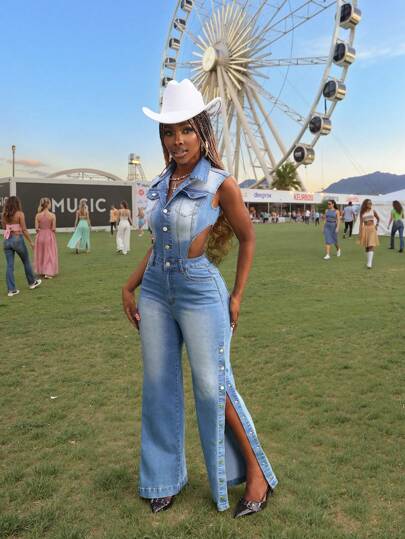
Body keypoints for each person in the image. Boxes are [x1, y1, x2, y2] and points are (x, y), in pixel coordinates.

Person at [122, 79, 277, 517]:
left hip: (199, 291)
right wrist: (130, 285)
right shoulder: (160, 183)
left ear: (202, 131)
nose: (178, 140)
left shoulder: (220, 183)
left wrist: (238, 295)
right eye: (169, 132)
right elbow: (158, 244)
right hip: (155, 291)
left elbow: (248, 239)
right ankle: (163, 479)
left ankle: (256, 474)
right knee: (158, 385)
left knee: (214, 387)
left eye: (186, 130)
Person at [2, 196, 41, 296]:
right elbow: (24, 229)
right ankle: (32, 283)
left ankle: (11, 290)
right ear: (17, 204)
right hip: (17, 240)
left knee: (9, 266)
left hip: (6, 240)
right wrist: (31, 242)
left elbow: (4, 227)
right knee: (26, 261)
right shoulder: (20, 214)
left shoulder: (4, 214)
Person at [34, 197, 59, 279]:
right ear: (48, 204)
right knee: (49, 254)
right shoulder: (52, 215)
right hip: (49, 235)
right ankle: (48, 272)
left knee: (41, 253)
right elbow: (53, 228)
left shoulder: (38, 215)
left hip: (40, 236)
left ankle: (41, 271)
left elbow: (36, 229)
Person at [358, 199, 380, 268]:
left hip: (372, 229)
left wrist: (377, 225)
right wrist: (360, 232)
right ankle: (368, 262)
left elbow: (378, 218)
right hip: (365, 229)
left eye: (371, 203)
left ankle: (369, 263)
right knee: (366, 246)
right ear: (365, 204)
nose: (370, 204)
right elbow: (361, 223)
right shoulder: (362, 213)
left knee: (371, 245)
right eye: (369, 203)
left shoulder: (373, 211)